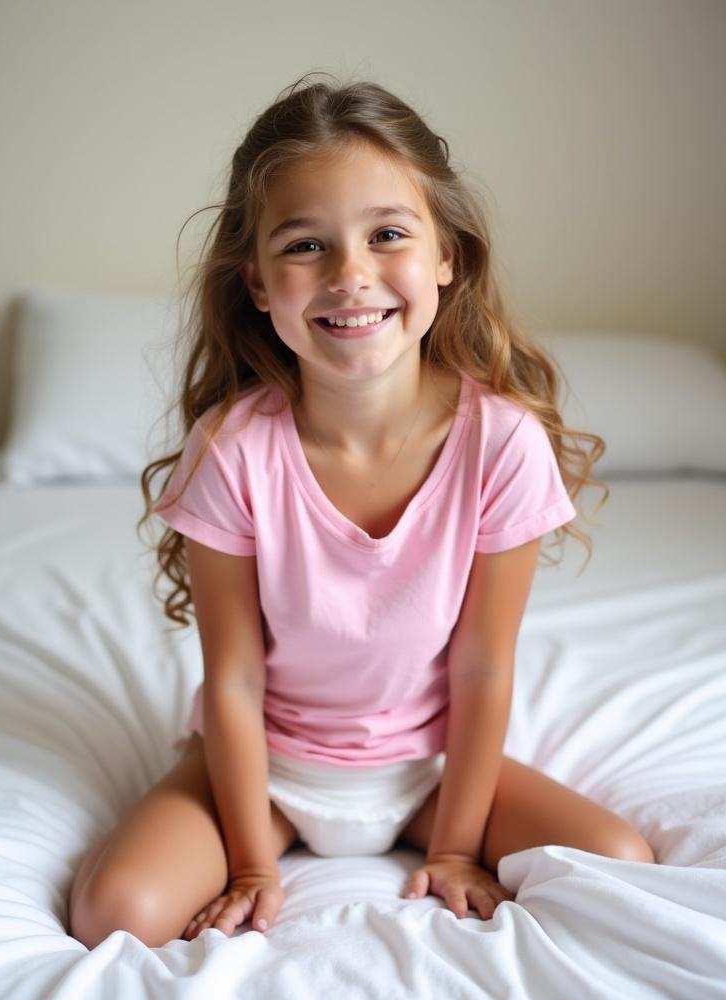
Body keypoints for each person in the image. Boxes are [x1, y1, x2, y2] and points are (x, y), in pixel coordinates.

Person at [68, 72, 655, 951]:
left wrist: (456, 848)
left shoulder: (501, 444)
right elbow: (232, 680)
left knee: (622, 860)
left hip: (428, 773)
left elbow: (483, 667)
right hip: (267, 774)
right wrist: (252, 864)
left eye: (388, 235)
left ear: (446, 257)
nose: (351, 276)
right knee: (115, 913)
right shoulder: (235, 449)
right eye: (305, 246)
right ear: (258, 283)